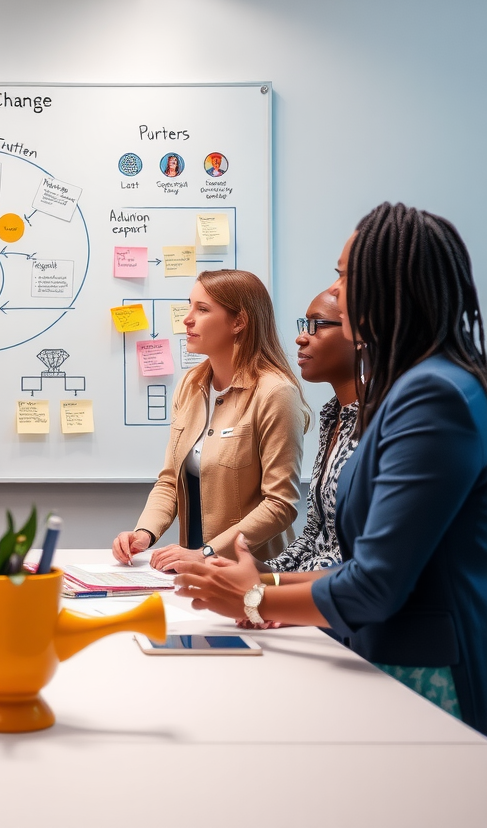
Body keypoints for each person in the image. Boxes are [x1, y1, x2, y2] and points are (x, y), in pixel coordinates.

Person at [176, 203, 487, 734]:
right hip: (384, 648)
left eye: (345, 275)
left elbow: (377, 583)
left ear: (391, 285)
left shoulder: (435, 395)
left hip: (428, 672)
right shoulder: (412, 387)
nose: (335, 291)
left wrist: (255, 597)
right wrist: (266, 579)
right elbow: (360, 562)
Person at [112, 269, 307, 569]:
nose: (187, 319)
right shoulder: (189, 385)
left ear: (239, 321)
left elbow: (280, 505)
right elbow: (169, 481)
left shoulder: (275, 392)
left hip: (254, 573)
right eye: (190, 306)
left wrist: (206, 553)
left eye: (202, 309)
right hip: (191, 569)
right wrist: (143, 533)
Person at [266, 293, 359, 573]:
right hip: (320, 591)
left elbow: (355, 555)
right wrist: (263, 571)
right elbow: (315, 536)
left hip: (347, 600)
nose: (301, 338)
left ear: (362, 335)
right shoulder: (333, 416)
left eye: (317, 325)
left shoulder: (385, 421)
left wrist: (274, 586)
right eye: (304, 325)